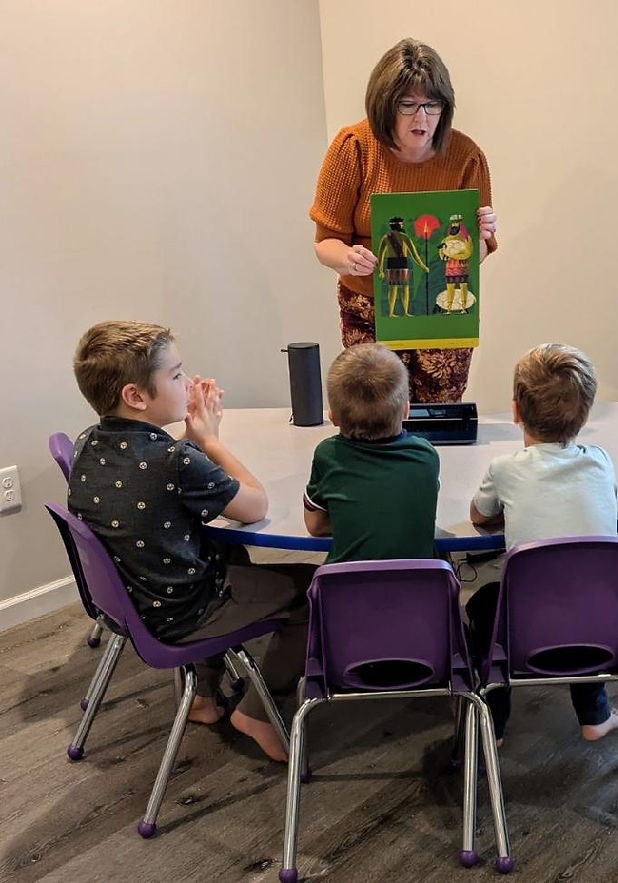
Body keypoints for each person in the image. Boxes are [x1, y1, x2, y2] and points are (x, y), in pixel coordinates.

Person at [68, 321, 314, 762]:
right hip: (186, 610)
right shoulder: (176, 460)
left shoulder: (89, 442)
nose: (187, 381)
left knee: (226, 548)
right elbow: (255, 505)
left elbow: (154, 474)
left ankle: (202, 697)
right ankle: (257, 711)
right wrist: (210, 443)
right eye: (177, 375)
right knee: (317, 594)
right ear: (137, 396)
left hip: (135, 602)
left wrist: (193, 441)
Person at [310, 37, 498, 402]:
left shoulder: (465, 156)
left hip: (441, 310)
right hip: (369, 306)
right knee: (372, 416)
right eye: (407, 105)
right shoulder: (353, 147)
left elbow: (475, 255)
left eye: (432, 105)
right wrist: (348, 258)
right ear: (384, 106)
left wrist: (480, 238)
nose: (421, 118)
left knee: (438, 418)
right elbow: (324, 242)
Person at [467, 344, 618, 743]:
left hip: (527, 627)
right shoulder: (601, 461)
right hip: (604, 626)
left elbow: (478, 515)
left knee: (484, 603)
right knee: (582, 589)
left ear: (516, 411)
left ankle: (495, 723)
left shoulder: (504, 468)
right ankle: (595, 715)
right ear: (586, 414)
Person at [303, 343, 439, 562]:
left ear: (333, 417)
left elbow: (315, 526)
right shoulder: (425, 456)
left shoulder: (328, 455)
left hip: (344, 593)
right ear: (406, 410)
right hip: (417, 593)